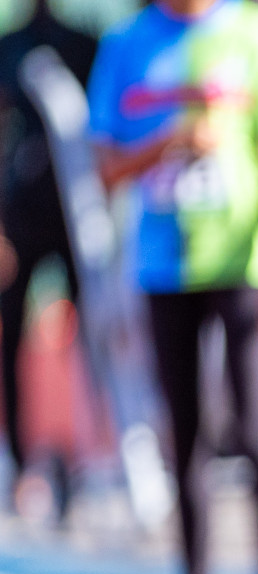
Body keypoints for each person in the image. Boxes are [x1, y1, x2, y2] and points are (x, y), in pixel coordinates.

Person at [88, 0, 258, 574]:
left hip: (245, 262)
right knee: (183, 433)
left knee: (254, 422)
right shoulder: (127, 43)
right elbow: (105, 167)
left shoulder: (257, 33)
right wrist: (169, 142)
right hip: (163, 266)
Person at [0, 0, 96, 511]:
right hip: (18, 218)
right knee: (11, 340)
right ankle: (17, 461)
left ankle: (87, 455)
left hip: (76, 218)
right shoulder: (8, 47)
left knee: (94, 338)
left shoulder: (85, 46)